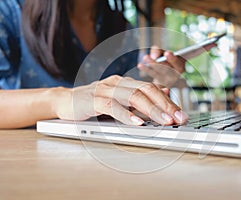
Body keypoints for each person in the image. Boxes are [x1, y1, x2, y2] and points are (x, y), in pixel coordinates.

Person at [0, 0, 189, 129]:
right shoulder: (10, 11)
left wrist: (157, 81)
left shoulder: (123, 29)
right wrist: (60, 99)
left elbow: (125, 107)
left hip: (104, 155)